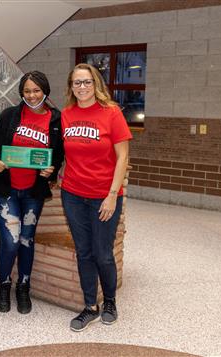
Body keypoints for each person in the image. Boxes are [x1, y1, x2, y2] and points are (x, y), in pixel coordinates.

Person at [61, 63, 132, 332]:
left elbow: (123, 156)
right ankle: (90, 306)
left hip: (104, 195)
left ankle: (110, 302)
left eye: (87, 82)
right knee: (84, 252)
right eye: (77, 83)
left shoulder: (111, 113)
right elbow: (65, 152)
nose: (82, 87)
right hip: (73, 195)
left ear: (96, 84)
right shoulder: (66, 114)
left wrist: (112, 195)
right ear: (71, 87)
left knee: (103, 254)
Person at [0, 71, 63, 314]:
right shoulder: (10, 115)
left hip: (33, 192)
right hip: (7, 191)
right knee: (10, 242)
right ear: (21, 92)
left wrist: (50, 173)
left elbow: (58, 157)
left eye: (36, 90)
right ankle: (3, 283)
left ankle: (23, 286)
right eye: (27, 91)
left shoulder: (56, 120)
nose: (32, 96)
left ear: (45, 91)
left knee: (26, 240)